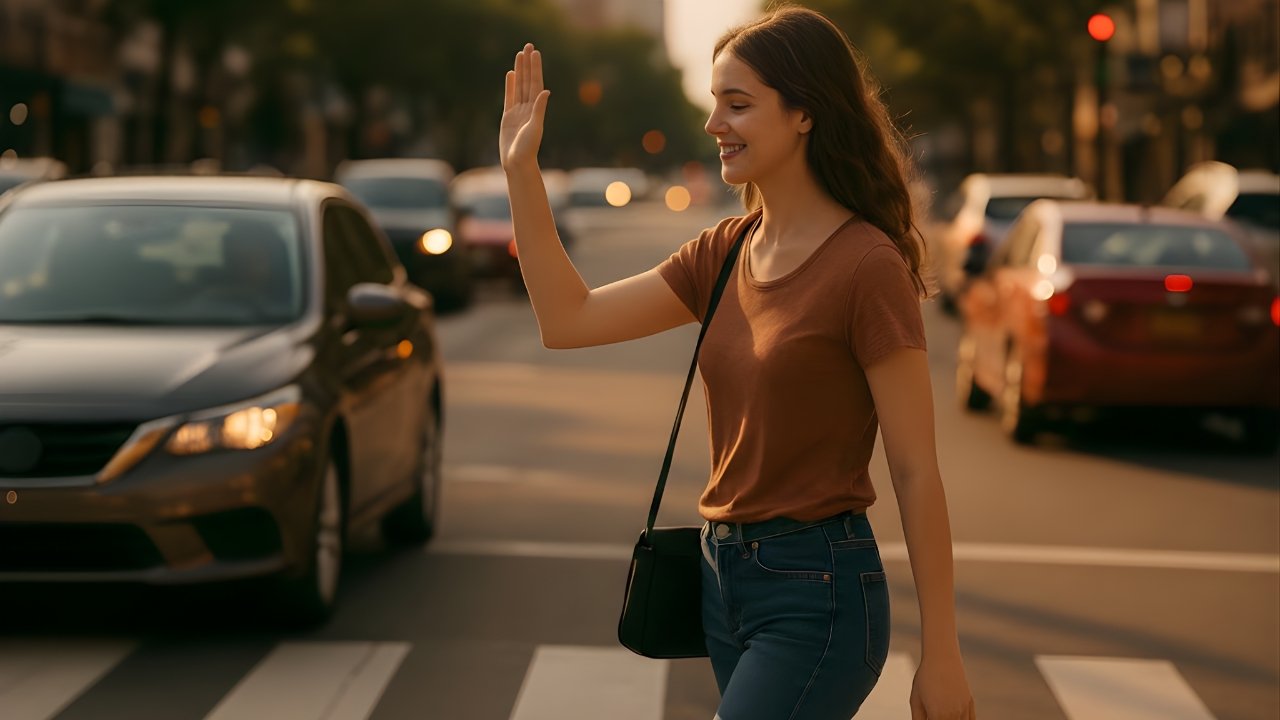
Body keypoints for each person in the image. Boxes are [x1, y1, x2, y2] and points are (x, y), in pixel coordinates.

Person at [499, 6, 975, 719]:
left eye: (739, 104)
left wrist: (943, 656)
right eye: (715, 101)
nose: (714, 123)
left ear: (805, 114)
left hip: (818, 589)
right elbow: (569, 321)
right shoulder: (724, 250)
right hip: (722, 582)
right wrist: (520, 174)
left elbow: (915, 469)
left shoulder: (866, 266)